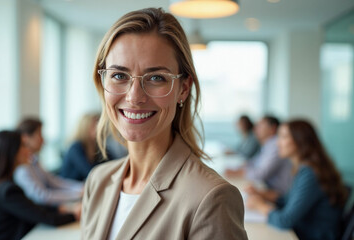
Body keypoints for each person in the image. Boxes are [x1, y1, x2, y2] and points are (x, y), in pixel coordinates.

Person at [81, 8, 247, 240]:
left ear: (183, 89)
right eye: (119, 75)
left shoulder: (210, 197)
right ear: (102, 82)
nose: (134, 97)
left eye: (156, 78)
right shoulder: (97, 181)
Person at [247, 119, 347, 240]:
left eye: (283, 137)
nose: (278, 143)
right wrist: (263, 194)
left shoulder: (310, 173)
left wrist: (260, 206)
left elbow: (285, 221)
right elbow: (288, 200)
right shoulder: (306, 168)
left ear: (300, 141)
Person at [0, 130, 80, 240]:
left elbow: (32, 207)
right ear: (12, 152)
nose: (28, 150)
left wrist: (61, 208)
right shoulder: (7, 190)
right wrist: (75, 215)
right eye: (24, 146)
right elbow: (47, 218)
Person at [14, 118, 83, 206]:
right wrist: (77, 194)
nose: (43, 141)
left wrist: (80, 188)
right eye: (39, 135)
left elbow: (53, 181)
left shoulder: (34, 160)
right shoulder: (22, 168)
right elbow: (42, 197)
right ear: (26, 138)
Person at [60, 112, 117, 181]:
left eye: (100, 124)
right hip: (70, 188)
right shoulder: (75, 148)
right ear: (85, 128)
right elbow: (89, 172)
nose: (100, 128)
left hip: (88, 187)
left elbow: (115, 164)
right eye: (95, 125)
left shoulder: (99, 147)